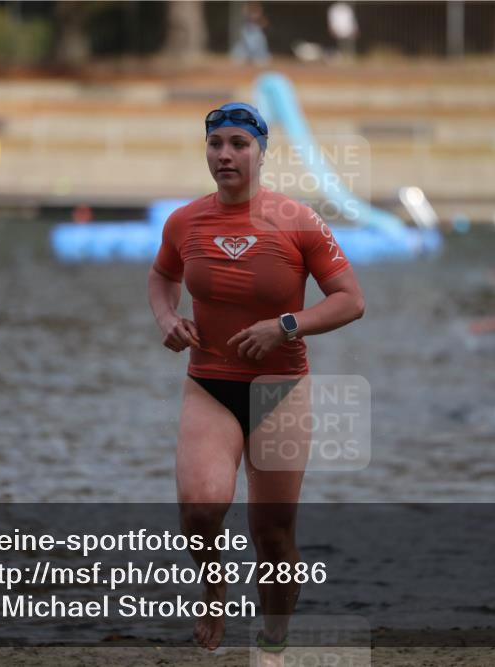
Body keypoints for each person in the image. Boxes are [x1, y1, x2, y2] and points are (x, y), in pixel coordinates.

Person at [147, 103, 364, 656]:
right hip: (209, 384)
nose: (225, 154)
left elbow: (350, 302)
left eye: (239, 144)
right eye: (216, 143)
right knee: (199, 510)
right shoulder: (184, 221)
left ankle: (273, 637)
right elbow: (162, 275)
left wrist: (286, 326)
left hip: (280, 388)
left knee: (270, 535)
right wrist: (169, 319)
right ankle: (214, 592)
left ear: (261, 153)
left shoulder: (298, 220)